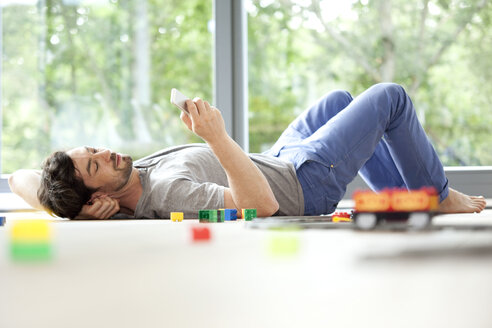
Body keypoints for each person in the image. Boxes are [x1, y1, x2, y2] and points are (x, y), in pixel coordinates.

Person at [9, 83, 486, 219]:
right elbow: (262, 206)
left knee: (337, 101)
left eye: (94, 148)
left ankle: (408, 199)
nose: (109, 152)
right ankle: (436, 194)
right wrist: (216, 136)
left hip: (278, 157)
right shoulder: (170, 193)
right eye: (96, 163)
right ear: (94, 197)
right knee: (390, 98)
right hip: (303, 183)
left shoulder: (122, 180)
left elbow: (19, 178)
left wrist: (63, 205)